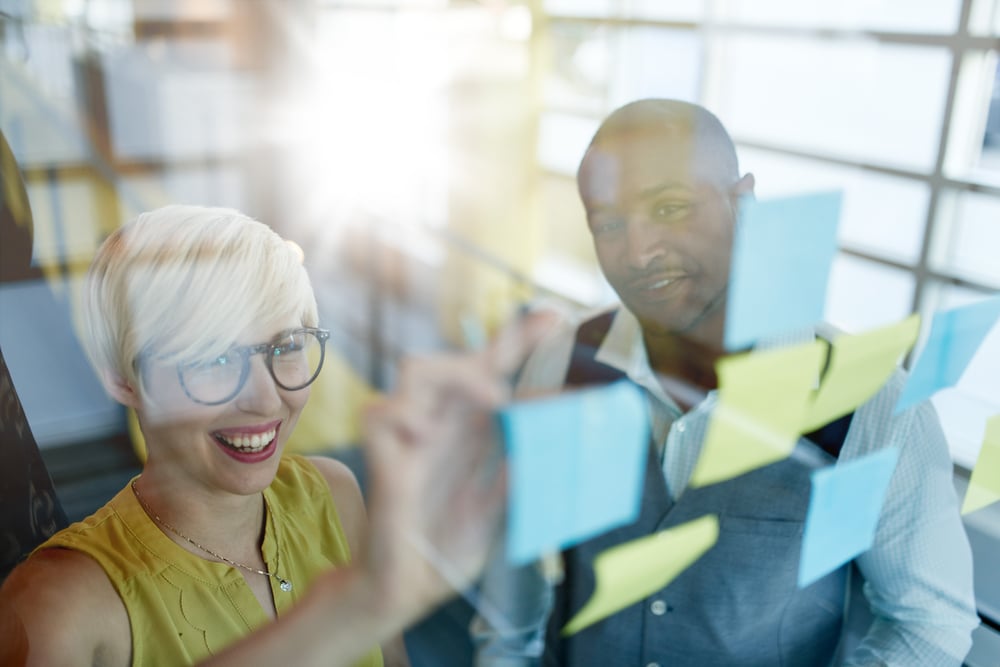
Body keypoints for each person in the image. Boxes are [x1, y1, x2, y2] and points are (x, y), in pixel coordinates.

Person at [473, 99, 979, 666]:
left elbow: (929, 624)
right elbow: (515, 580)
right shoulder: (562, 362)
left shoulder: (875, 406)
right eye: (609, 224)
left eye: (669, 207)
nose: (639, 253)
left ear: (743, 202)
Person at [0, 204, 550, 667]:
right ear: (123, 378)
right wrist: (361, 604)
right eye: (213, 357)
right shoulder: (61, 604)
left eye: (286, 346)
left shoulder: (332, 493)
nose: (266, 399)